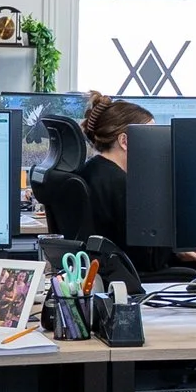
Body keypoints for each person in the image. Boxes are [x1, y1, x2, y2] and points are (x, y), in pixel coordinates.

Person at [75, 92, 171, 274]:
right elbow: (148, 261)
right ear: (124, 141)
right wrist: (177, 251)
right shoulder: (124, 185)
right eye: (150, 136)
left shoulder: (89, 171)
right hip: (135, 281)